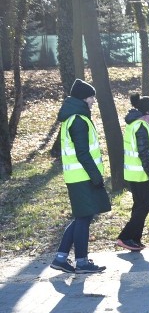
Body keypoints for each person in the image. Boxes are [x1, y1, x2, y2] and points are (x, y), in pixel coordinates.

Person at [50, 79, 111, 274]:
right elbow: (82, 153)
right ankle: (82, 262)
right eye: (92, 97)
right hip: (82, 177)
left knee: (81, 217)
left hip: (77, 176)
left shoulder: (74, 118)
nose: (94, 100)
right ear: (84, 98)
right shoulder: (78, 120)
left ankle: (60, 258)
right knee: (84, 218)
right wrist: (95, 176)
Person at [116, 93, 149, 251]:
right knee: (144, 206)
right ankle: (125, 237)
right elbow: (143, 153)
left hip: (135, 174)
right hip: (141, 174)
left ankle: (134, 238)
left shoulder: (135, 124)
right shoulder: (141, 126)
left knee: (140, 206)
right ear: (148, 111)